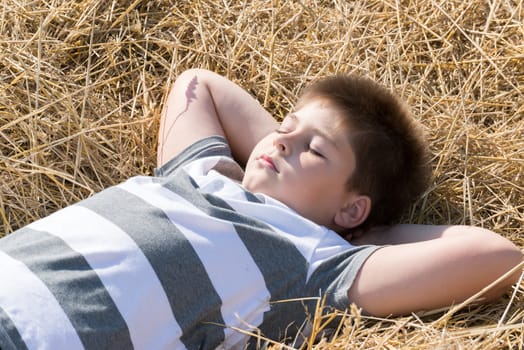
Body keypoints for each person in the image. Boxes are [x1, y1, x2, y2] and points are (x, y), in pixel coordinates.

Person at [0, 68, 521, 350]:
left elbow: (497, 257)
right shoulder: (202, 174)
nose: (282, 141)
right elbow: (198, 84)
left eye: (314, 150)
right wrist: (286, 154)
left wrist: (351, 234)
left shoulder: (311, 263)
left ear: (353, 210)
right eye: (284, 127)